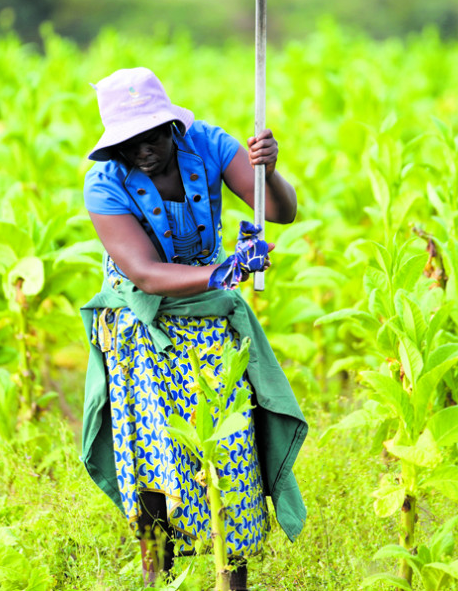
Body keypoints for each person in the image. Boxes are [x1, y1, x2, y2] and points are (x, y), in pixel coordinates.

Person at [79, 67, 308, 589]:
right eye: (128, 142)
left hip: (209, 324)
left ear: (173, 126)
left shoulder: (208, 144)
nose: (143, 150)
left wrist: (267, 171)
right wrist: (223, 271)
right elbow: (144, 273)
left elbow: (281, 210)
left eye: (153, 134)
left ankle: (233, 577)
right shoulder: (104, 183)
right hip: (143, 329)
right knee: (158, 457)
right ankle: (158, 580)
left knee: (231, 449)